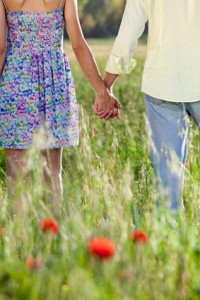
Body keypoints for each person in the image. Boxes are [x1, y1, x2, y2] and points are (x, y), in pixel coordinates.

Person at [0, 0, 121, 209]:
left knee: (17, 175)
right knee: (52, 172)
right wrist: (103, 92)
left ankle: (20, 239)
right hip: (53, 81)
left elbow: (1, 48)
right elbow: (78, 45)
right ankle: (53, 235)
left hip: (16, 81)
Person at [96, 0, 200, 211]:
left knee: (167, 181)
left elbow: (128, 32)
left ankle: (172, 240)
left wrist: (106, 87)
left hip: (162, 83)